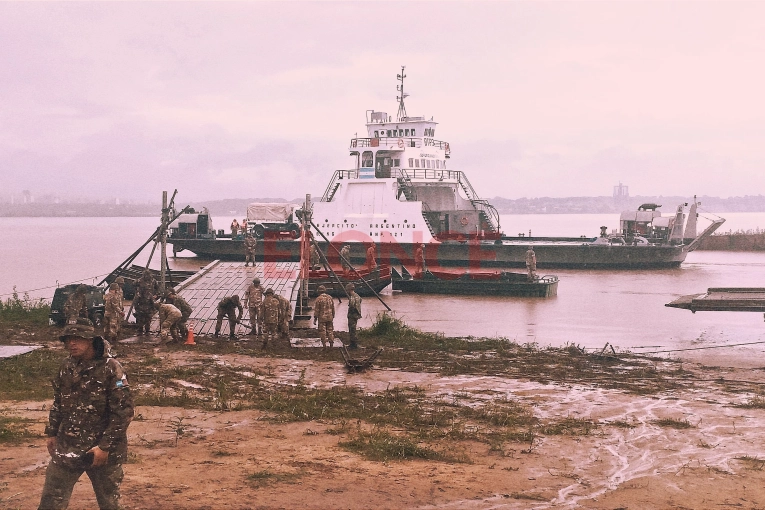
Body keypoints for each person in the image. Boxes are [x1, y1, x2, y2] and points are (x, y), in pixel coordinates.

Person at [39, 318, 134, 510]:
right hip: (68, 445)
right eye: (68, 339)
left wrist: (105, 446)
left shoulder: (111, 368)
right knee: (51, 500)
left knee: (110, 503)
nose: (71, 343)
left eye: (78, 338)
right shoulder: (67, 366)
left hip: (101, 451)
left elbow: (123, 411)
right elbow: (59, 401)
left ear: (91, 340)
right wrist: (52, 432)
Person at [346, 283, 362, 349]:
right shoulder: (357, 295)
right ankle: (354, 343)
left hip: (352, 315)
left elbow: (352, 305)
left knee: (352, 329)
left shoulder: (352, 297)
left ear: (349, 289)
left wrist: (350, 313)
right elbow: (360, 300)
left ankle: (353, 344)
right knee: (354, 328)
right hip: (357, 315)